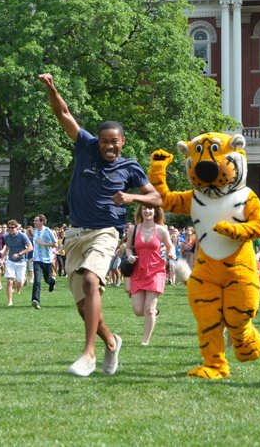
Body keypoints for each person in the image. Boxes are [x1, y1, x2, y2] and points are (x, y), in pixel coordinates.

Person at [39, 72, 161, 376]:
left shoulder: (130, 167)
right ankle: (110, 341)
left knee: (93, 281)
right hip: (75, 234)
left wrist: (132, 199)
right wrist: (52, 89)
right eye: (105, 142)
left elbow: (157, 198)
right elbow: (63, 113)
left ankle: (89, 354)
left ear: (123, 142)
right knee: (83, 307)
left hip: (107, 232)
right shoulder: (85, 146)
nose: (109, 147)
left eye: (114, 143)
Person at [125, 205, 174, 345]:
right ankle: (154, 311)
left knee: (149, 309)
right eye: (145, 208)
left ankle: (145, 341)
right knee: (138, 310)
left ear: (155, 211)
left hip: (156, 271)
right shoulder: (134, 229)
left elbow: (171, 248)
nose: (147, 211)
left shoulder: (161, 230)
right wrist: (129, 256)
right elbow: (128, 247)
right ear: (140, 211)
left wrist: (171, 253)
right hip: (138, 272)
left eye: (150, 209)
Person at [0, 220, 32, 307]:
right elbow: (7, 247)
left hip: (21, 261)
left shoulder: (22, 236)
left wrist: (19, 254)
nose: (10, 229)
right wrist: (3, 258)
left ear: (17, 228)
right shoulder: (6, 236)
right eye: (9, 228)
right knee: (9, 281)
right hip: (10, 261)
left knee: (20, 282)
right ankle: (10, 301)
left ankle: (21, 284)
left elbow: (30, 247)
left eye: (12, 227)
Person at [31, 214, 57, 309]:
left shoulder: (48, 231)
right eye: (34, 221)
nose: (34, 222)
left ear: (42, 222)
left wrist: (43, 244)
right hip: (37, 260)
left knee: (47, 279)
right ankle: (35, 300)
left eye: (36, 221)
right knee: (37, 280)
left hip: (47, 260)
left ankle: (52, 282)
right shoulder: (34, 231)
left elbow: (55, 244)